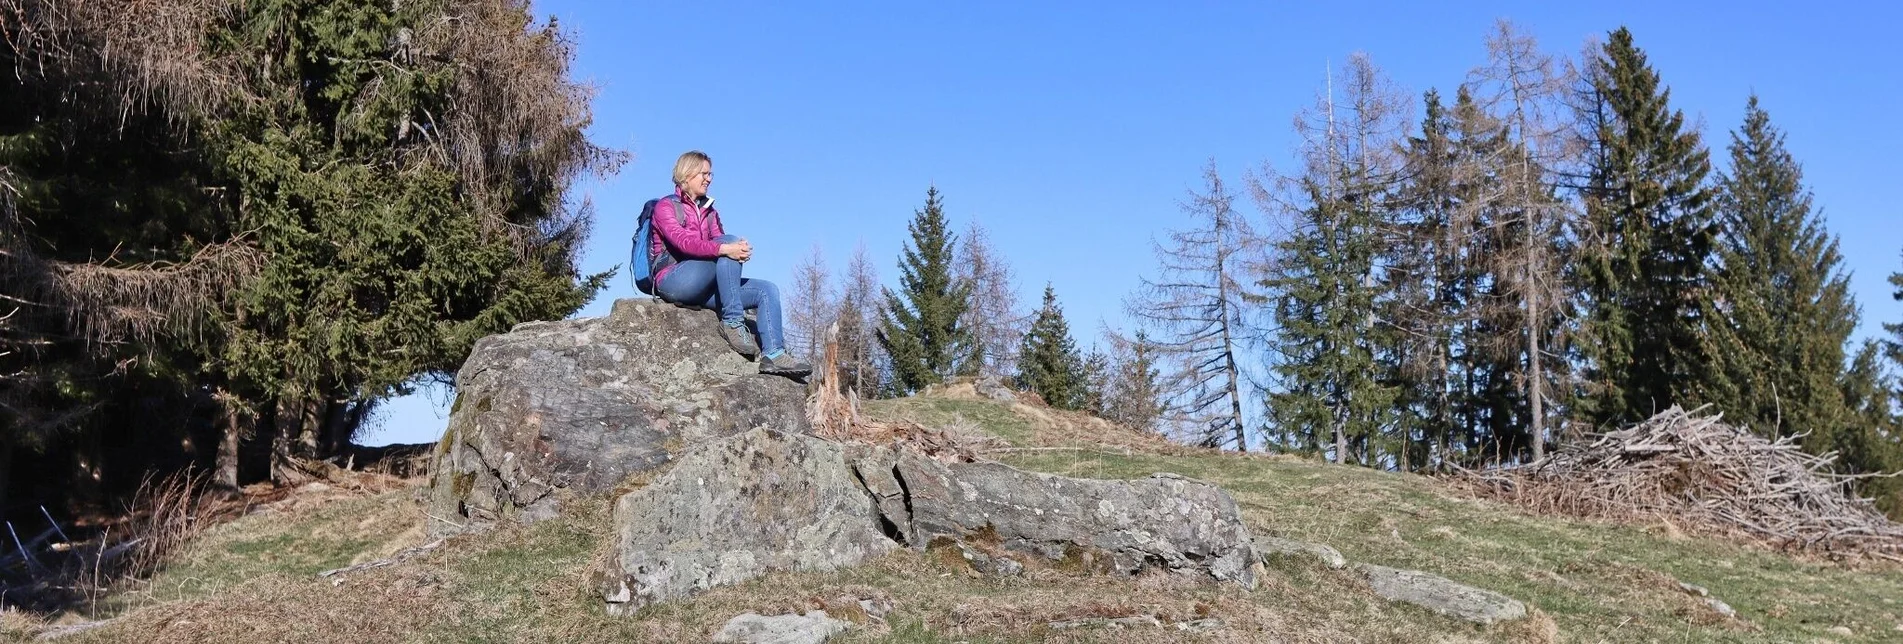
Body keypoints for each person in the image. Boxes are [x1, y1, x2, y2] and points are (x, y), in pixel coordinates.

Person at [647, 150, 811, 377]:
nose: (709, 178)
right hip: (674, 280)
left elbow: (722, 246)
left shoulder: (709, 211)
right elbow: (684, 243)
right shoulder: (665, 207)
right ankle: (732, 322)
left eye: (710, 174)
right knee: (728, 244)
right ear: (687, 174)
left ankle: (773, 355)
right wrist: (728, 248)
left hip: (704, 286)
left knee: (767, 290)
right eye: (704, 173)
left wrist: (737, 251)